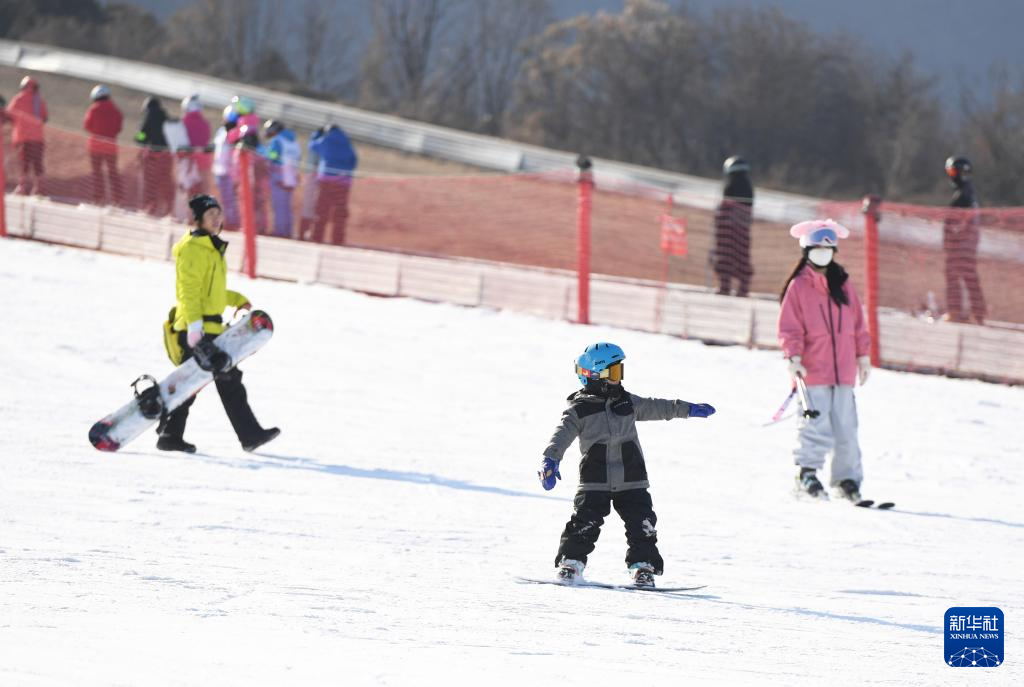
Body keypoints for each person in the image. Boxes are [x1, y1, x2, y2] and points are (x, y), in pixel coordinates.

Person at [539, 343, 716, 588]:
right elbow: (560, 436)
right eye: (613, 373)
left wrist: (688, 409)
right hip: (595, 480)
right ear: (594, 376)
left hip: (632, 479)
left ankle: (643, 568)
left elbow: (659, 407)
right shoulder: (579, 411)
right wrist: (550, 459)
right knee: (583, 524)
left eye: (619, 372)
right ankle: (570, 564)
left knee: (642, 526)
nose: (618, 378)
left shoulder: (627, 403)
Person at [156, 193, 280, 453]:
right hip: (197, 330)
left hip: (211, 328)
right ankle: (248, 435)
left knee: (208, 382)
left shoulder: (211, 247)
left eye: (218, 213)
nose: (217, 218)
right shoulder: (193, 249)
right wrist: (194, 327)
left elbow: (211, 292)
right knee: (222, 380)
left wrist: (236, 299)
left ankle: (171, 435)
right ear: (198, 219)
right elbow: (189, 291)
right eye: (210, 214)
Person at [777, 219, 872, 502]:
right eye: (818, 249)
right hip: (813, 371)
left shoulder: (843, 284)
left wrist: (863, 355)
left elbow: (857, 323)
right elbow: (789, 327)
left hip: (843, 372)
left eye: (828, 250)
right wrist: (793, 356)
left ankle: (846, 480)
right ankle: (806, 474)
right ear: (807, 251)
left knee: (846, 429)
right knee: (814, 425)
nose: (823, 254)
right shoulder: (799, 286)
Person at [943, 156, 986, 325]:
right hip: (967, 244)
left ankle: (955, 311)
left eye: (953, 172)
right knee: (970, 277)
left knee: (954, 276)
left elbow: (959, 223)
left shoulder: (963, 195)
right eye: (950, 172)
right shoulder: (968, 192)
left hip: (961, 245)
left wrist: (953, 240)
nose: (951, 175)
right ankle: (978, 313)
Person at [308, 124, 357, 245]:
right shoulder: (347, 143)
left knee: (322, 209)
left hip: (326, 179)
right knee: (339, 211)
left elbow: (312, 146)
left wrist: (316, 135)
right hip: (343, 181)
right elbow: (353, 161)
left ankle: (317, 236)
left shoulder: (325, 140)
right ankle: (338, 239)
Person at [713, 155, 754, 297]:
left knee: (725, 258)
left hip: (727, 231)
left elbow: (725, 207)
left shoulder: (729, 186)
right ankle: (743, 290)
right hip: (742, 229)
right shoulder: (749, 187)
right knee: (742, 258)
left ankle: (725, 287)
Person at [6, 76, 48, 195]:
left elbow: (9, 115)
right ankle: (39, 188)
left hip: (23, 138)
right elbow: (44, 118)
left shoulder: (18, 99)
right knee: (38, 164)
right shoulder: (39, 101)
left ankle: (22, 187)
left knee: (24, 163)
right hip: (38, 139)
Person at [83, 84, 124, 206]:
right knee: (113, 174)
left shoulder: (93, 109)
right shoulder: (116, 111)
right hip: (111, 147)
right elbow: (118, 128)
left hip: (95, 146)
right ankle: (117, 200)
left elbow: (87, 125)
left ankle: (98, 199)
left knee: (97, 174)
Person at [135, 96, 175, 216]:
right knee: (165, 181)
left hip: (153, 155)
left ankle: (151, 208)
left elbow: (142, 136)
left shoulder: (149, 116)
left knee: (150, 182)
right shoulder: (166, 116)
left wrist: (138, 137)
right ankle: (168, 208)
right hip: (167, 155)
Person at [262, 119, 301, 238]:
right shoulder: (294, 142)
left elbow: (272, 156)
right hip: (291, 176)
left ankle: (280, 231)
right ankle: (287, 231)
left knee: (278, 205)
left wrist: (264, 153)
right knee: (286, 206)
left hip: (278, 176)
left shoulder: (277, 140)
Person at [212, 105, 241, 231]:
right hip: (219, 169)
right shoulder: (221, 131)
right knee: (223, 197)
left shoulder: (236, 132)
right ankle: (226, 220)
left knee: (230, 198)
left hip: (230, 171)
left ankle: (233, 221)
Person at [179, 94, 212, 199]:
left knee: (188, 193)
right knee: (203, 192)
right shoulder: (205, 124)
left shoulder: (183, 123)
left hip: (188, 162)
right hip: (203, 162)